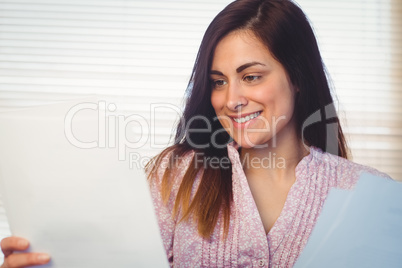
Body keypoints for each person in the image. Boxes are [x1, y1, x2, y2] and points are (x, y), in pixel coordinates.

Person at [0, 0, 390, 267]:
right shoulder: (175, 180)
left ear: (297, 77)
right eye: (218, 81)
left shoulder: (369, 197)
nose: (231, 99)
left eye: (251, 77)